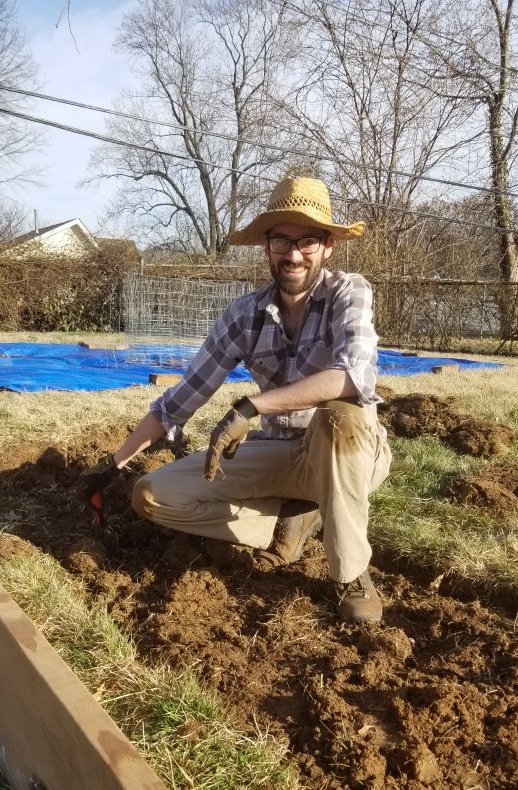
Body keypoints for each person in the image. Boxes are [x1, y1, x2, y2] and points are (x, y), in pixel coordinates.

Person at [79, 176, 391, 623]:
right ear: (266, 246)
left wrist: (252, 406)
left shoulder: (349, 292)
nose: (293, 254)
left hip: (349, 455)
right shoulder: (244, 315)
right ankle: (286, 520)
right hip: (281, 453)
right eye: (282, 240)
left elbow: (350, 377)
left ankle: (350, 573)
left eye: (306, 240)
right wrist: (115, 464)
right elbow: (180, 401)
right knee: (152, 495)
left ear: (327, 246)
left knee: (338, 418)